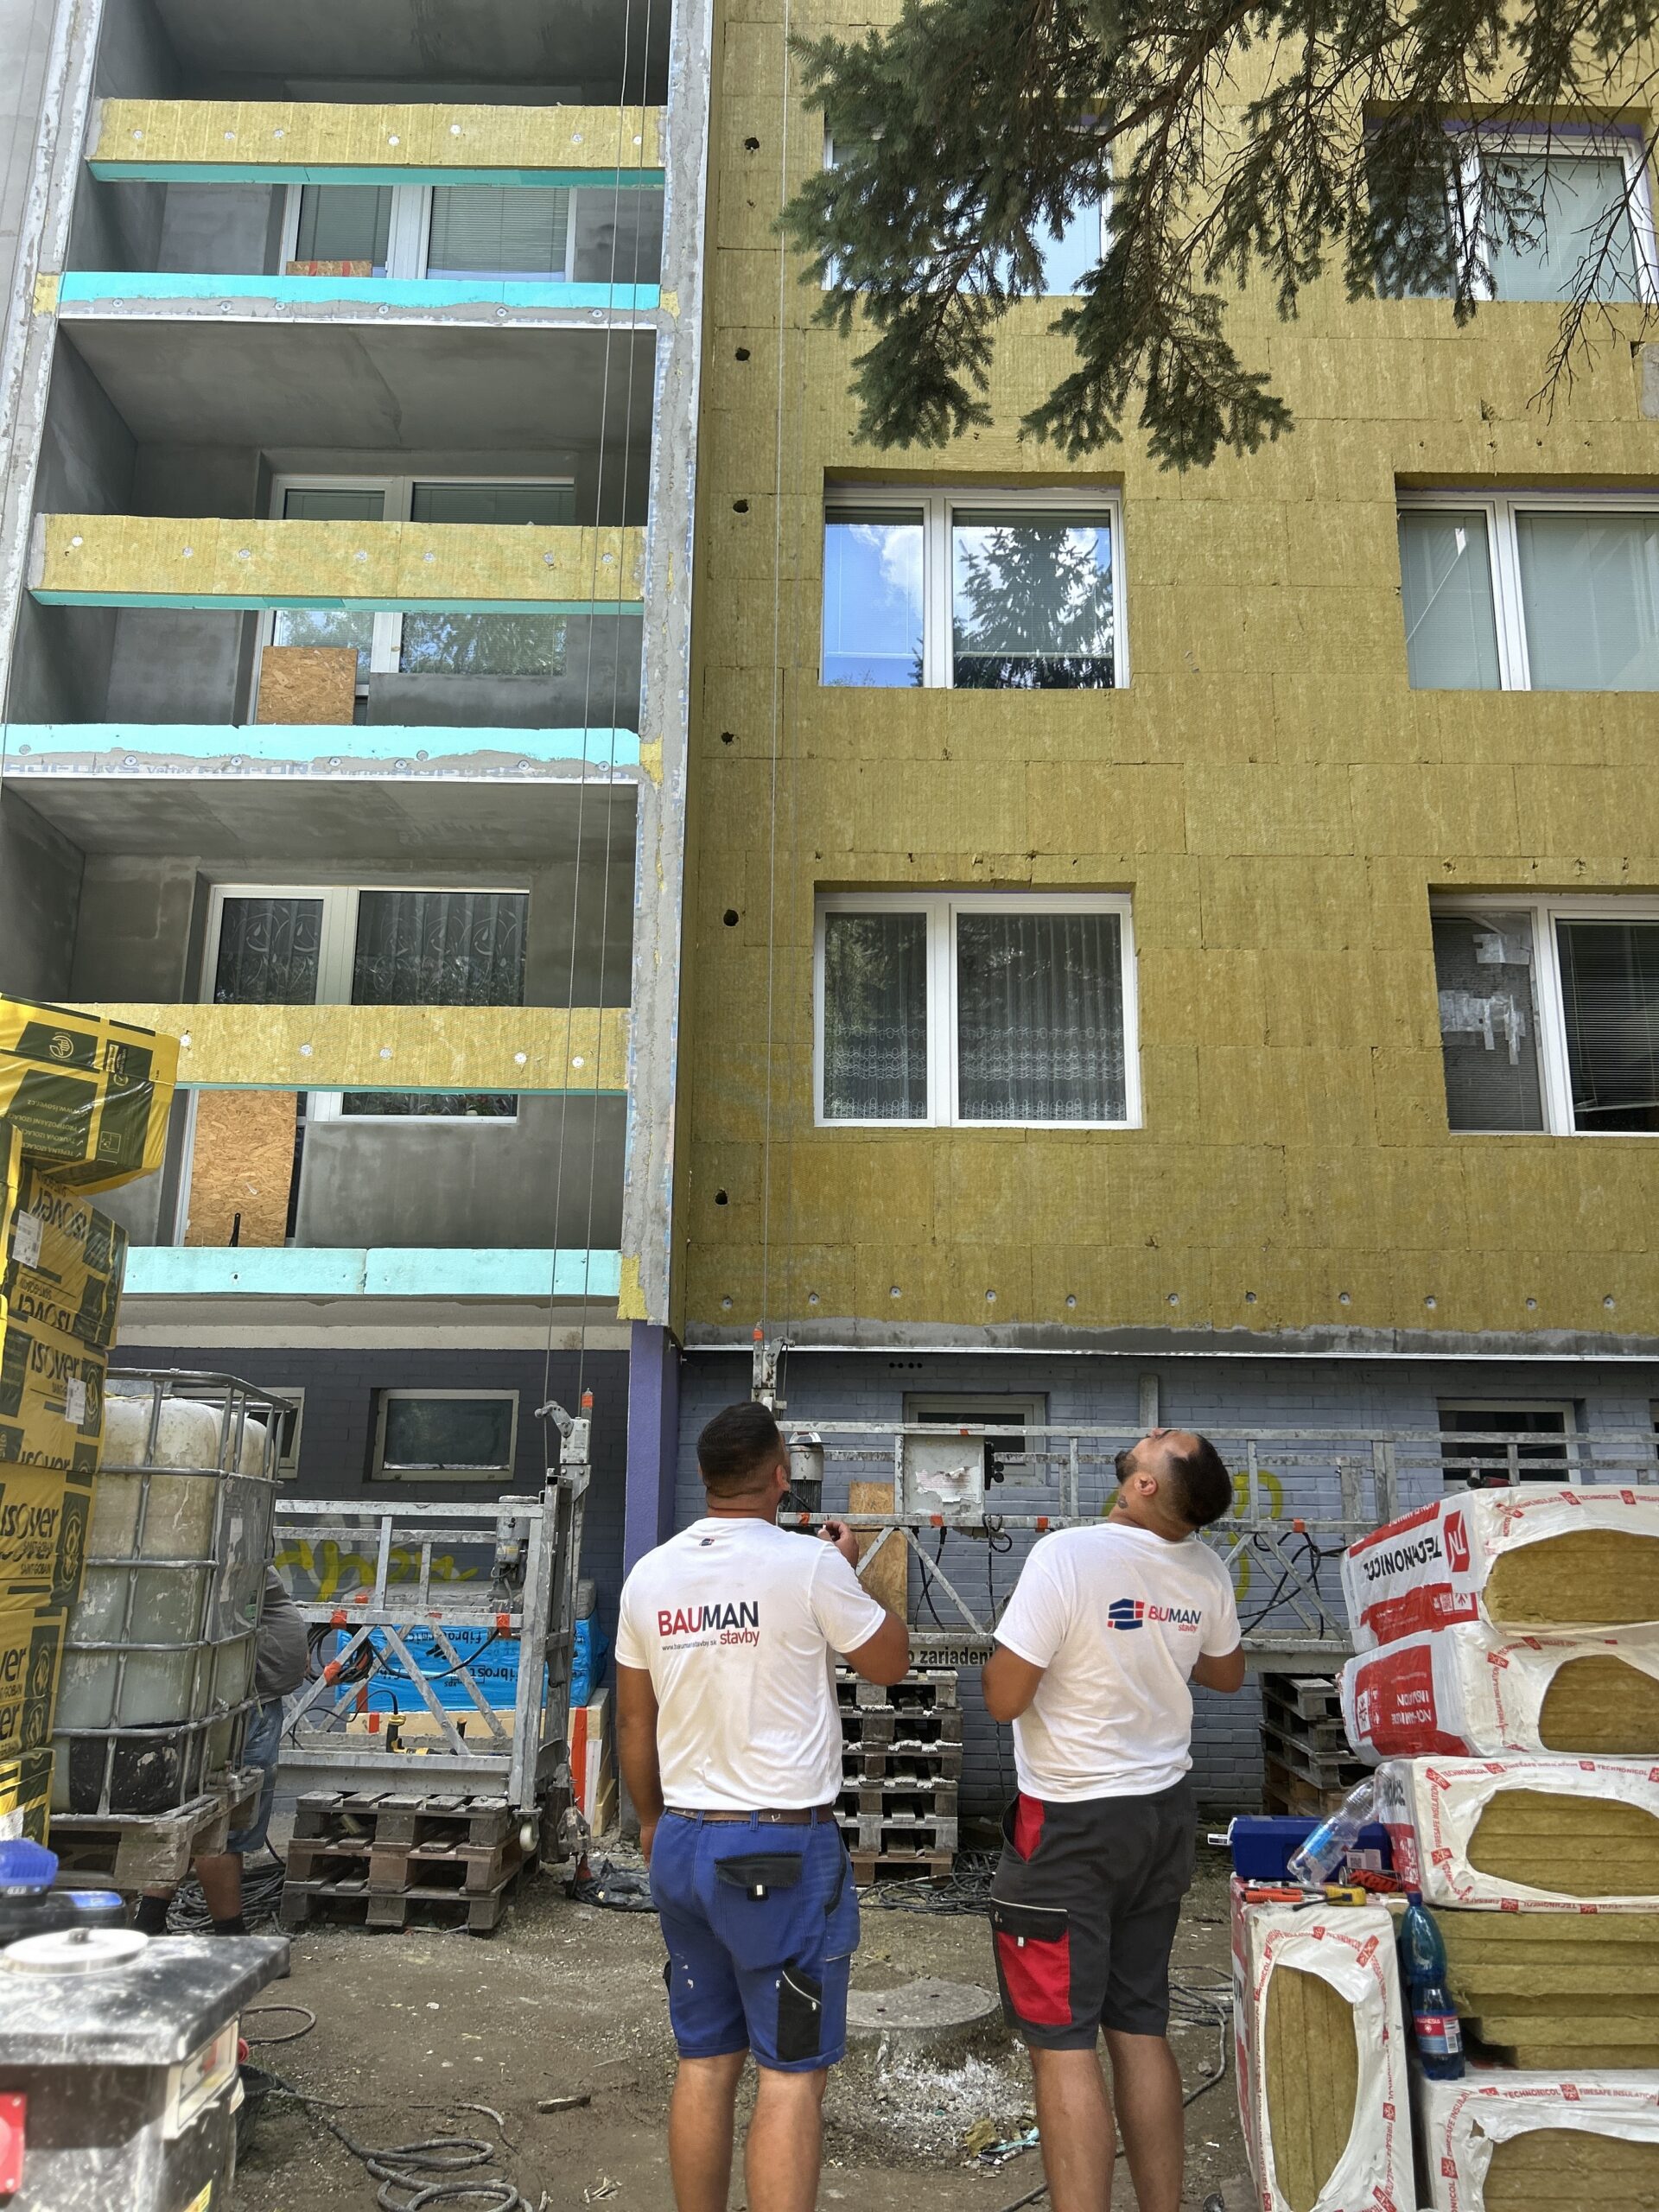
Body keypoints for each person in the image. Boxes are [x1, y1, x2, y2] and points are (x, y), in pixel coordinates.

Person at [615, 1401, 910, 2212]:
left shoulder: (651, 1575)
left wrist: (651, 1821)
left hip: (682, 1843)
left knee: (706, 2062)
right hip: (777, 1857)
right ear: (781, 1476)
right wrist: (848, 1572)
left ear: (704, 1477)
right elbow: (889, 1662)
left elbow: (635, 1721)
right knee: (790, 2075)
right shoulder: (808, 1566)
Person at [981, 1427, 1244, 2212]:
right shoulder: (1205, 1567)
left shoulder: (1066, 1557)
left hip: (1070, 1824)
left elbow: (1004, 1699)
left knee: (1063, 2045)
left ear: (1147, 1486)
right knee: (1139, 2026)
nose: (1149, 1434)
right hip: (1160, 1819)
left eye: (1162, 1441)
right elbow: (1227, 1671)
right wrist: (1161, 1635)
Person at [135, 1565, 307, 1936]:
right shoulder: (225, 1556)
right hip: (236, 1709)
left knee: (199, 1817)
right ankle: (230, 1934)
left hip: (248, 1702)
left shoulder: (238, 1555)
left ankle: (149, 1920)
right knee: (222, 1817)